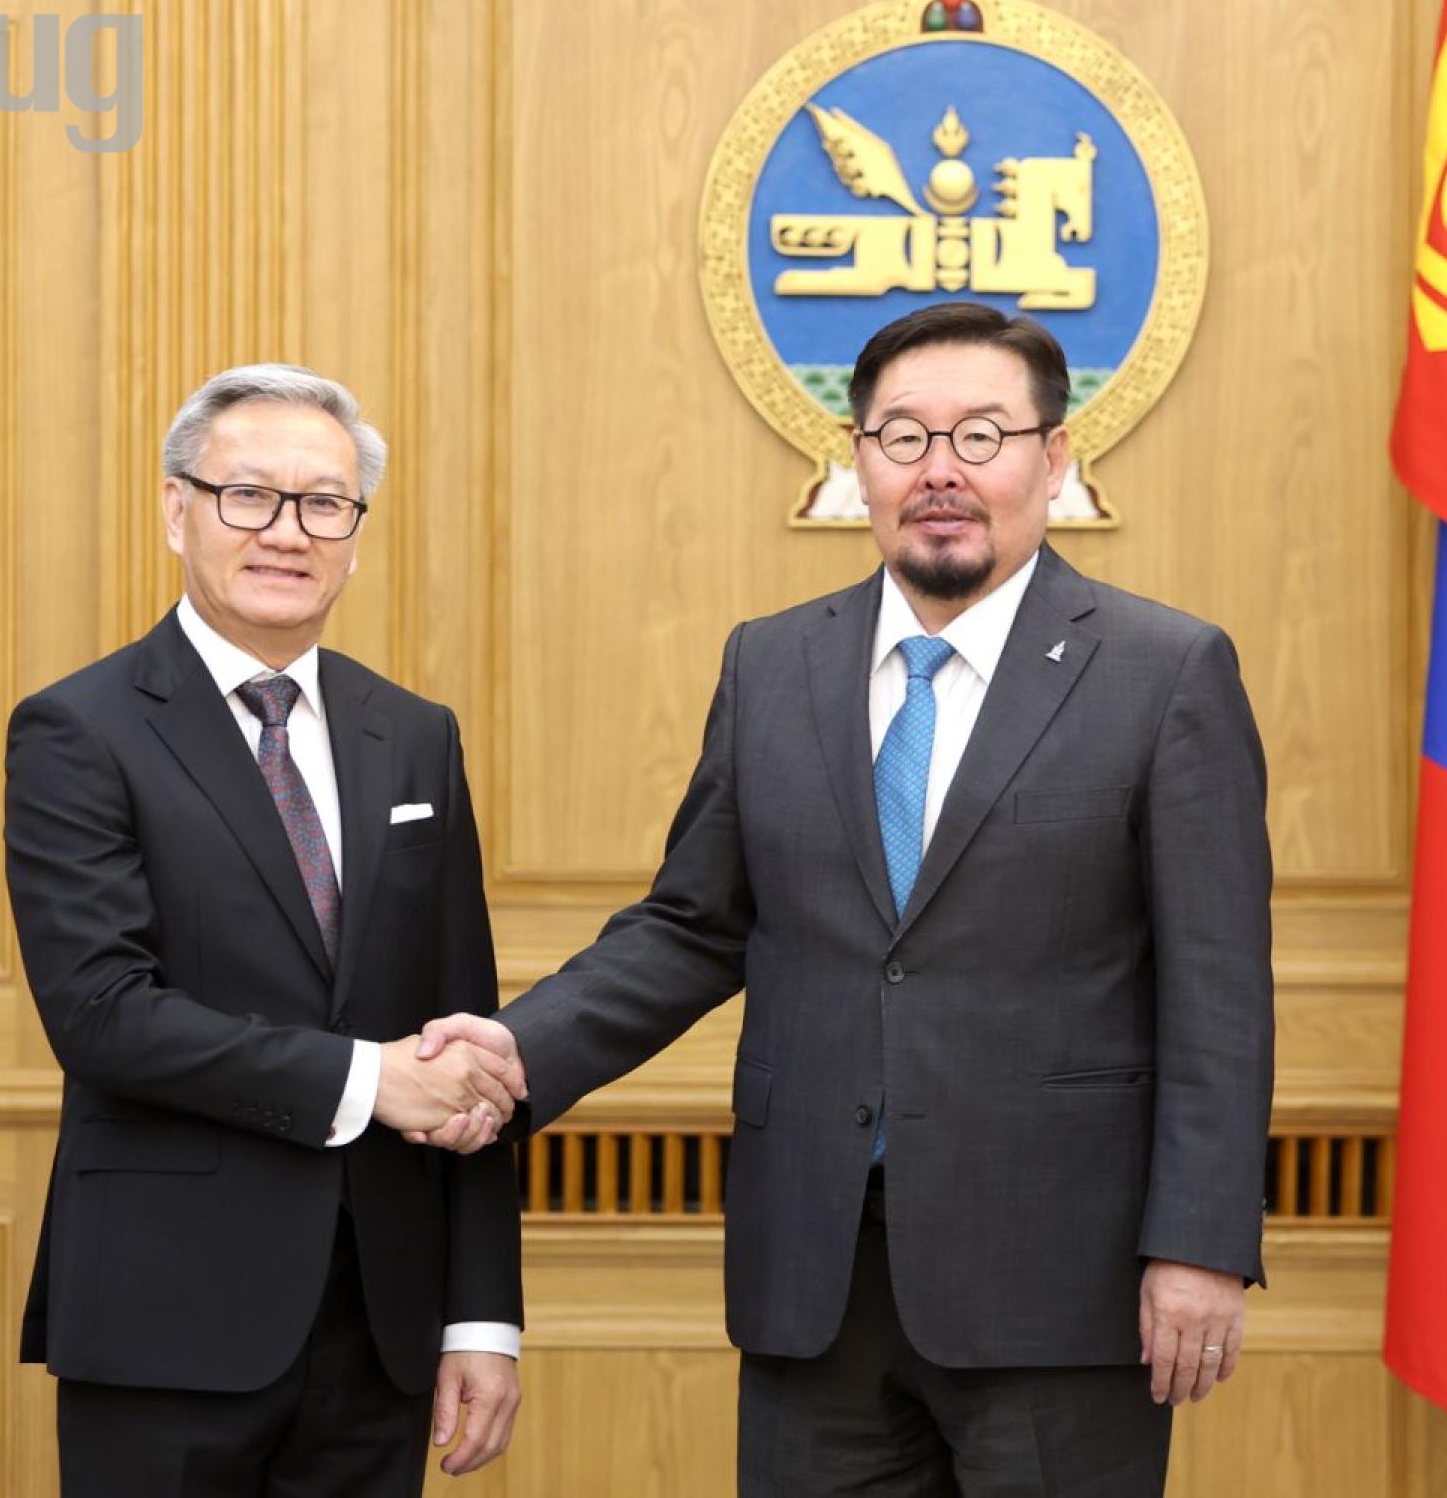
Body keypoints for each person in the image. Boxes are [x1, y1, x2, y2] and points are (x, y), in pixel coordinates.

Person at [418, 302, 1274, 1495]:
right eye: (903, 437)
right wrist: (516, 1051)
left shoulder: (1164, 671)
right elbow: (693, 927)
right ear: (858, 459)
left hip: (1057, 1277)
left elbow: (1216, 991)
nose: (941, 470)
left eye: (982, 435)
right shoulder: (773, 663)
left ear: (1054, 458)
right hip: (813, 1273)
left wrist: (1199, 1243)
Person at [5, 364, 525, 1496]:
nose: (288, 532)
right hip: (166, 1316)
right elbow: (102, 1016)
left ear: (355, 533)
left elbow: (467, 1037)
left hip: (380, 1321)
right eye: (248, 495)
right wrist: (367, 1081)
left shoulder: (415, 735)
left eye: (324, 503)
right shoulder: (79, 730)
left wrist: (483, 1315)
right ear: (176, 509)